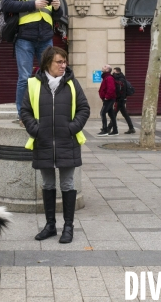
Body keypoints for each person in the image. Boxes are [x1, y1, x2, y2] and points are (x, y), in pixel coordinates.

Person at [21, 46, 90, 244]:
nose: (63, 65)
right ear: (47, 63)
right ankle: (50, 225)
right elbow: (25, 110)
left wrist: (72, 128)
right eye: (59, 62)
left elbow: (84, 108)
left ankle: (68, 227)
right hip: (43, 143)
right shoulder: (33, 84)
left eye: (64, 61)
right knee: (48, 184)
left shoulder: (71, 83)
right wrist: (35, 129)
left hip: (67, 142)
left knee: (67, 184)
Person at [2, 0, 64, 123]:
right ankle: (23, 115)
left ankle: (48, 111)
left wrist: (58, 8)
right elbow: (6, 4)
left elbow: (58, 16)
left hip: (45, 38)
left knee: (50, 76)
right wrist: (32, 4)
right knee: (24, 77)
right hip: (24, 38)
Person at [107, 67, 136, 134]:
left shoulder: (120, 80)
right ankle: (131, 128)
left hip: (120, 100)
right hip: (122, 100)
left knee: (113, 114)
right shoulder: (121, 78)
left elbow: (120, 91)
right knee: (125, 114)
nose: (113, 73)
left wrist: (117, 99)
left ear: (117, 72)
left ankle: (108, 128)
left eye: (114, 72)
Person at [97, 64, 118, 137]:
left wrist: (106, 97)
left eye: (105, 66)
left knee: (102, 113)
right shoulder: (105, 77)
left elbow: (111, 88)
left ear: (107, 70)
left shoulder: (109, 77)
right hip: (108, 99)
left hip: (109, 99)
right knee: (111, 114)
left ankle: (105, 130)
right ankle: (115, 130)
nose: (103, 66)